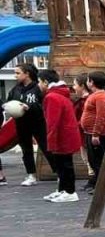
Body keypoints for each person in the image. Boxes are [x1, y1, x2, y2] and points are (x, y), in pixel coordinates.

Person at [37, 69, 80, 203]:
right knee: (62, 164)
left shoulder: (52, 97)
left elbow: (52, 122)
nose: (38, 85)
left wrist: (50, 140)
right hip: (66, 134)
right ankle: (63, 189)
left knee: (65, 165)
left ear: (45, 82)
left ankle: (70, 192)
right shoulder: (60, 94)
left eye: (39, 82)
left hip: (62, 136)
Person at [4, 63, 47, 187]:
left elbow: (45, 106)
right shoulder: (15, 89)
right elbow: (9, 102)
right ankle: (31, 175)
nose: (15, 76)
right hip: (21, 123)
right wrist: (8, 107)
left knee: (46, 148)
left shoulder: (38, 88)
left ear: (27, 74)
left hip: (38, 123)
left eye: (18, 73)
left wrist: (30, 107)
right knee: (26, 150)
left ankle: (60, 174)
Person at [80, 71, 105, 194]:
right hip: (90, 133)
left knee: (98, 162)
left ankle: (102, 188)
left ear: (91, 82)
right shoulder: (95, 95)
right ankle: (96, 184)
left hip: (98, 135)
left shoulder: (100, 97)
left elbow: (101, 116)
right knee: (93, 161)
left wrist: (96, 134)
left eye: (88, 80)